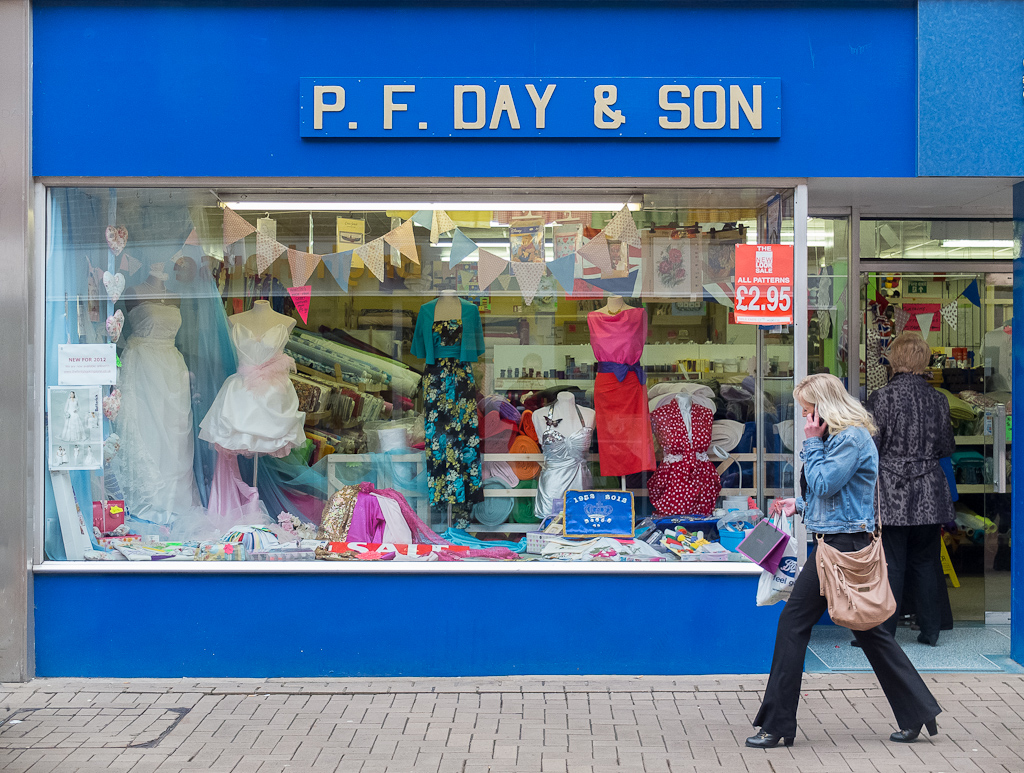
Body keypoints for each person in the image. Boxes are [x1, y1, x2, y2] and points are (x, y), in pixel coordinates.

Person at [747, 373, 941, 749]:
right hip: (834, 543)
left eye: (807, 410)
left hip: (843, 548)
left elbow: (825, 484)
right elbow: (831, 495)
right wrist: (798, 505)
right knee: (867, 631)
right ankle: (918, 709)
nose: (804, 418)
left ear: (823, 409)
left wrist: (811, 444)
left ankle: (777, 724)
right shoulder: (839, 439)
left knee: (796, 625)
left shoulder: (850, 438)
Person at [867, 332, 956, 646]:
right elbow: (946, 447)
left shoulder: (881, 398)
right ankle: (930, 630)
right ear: (924, 361)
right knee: (926, 561)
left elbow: (870, 447)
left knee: (891, 561)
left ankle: (883, 634)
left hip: (892, 488)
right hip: (930, 489)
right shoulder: (938, 399)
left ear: (894, 359)